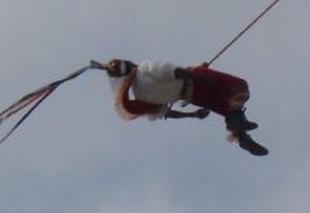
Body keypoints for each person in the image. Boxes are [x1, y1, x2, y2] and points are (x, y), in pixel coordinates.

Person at [103, 58, 267, 156]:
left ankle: (242, 137)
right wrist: (201, 74)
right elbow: (174, 71)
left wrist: (192, 115)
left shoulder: (140, 97)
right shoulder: (145, 68)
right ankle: (237, 123)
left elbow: (165, 113)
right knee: (239, 87)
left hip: (191, 96)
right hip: (195, 80)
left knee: (227, 108)